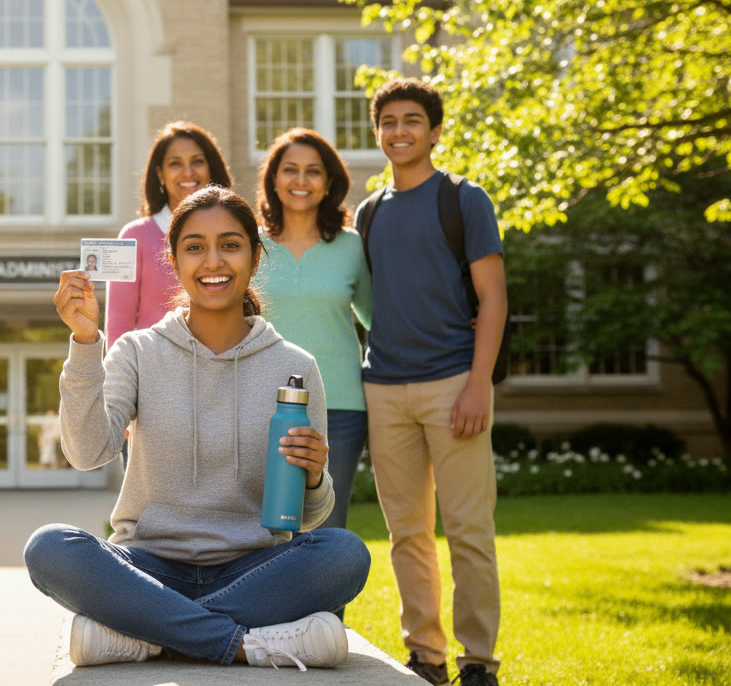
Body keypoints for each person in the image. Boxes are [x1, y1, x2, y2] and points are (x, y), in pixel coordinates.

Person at [25, 186, 371, 670]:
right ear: (174, 260)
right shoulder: (137, 352)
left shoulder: (296, 366)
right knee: (49, 547)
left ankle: (147, 635)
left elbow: (308, 517)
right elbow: (87, 452)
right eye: (194, 247)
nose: (214, 261)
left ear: (255, 256)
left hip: (254, 567)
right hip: (147, 567)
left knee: (345, 554)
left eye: (230, 244)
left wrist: (314, 479)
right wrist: (85, 342)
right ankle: (244, 642)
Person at [356, 78, 507, 686]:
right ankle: (426, 655)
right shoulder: (368, 214)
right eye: (388, 121)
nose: (399, 131)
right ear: (378, 132)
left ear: (435, 130)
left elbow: (493, 299)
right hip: (384, 389)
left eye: (412, 120)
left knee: (470, 529)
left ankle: (478, 660)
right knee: (407, 533)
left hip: (454, 384)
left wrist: (478, 385)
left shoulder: (463, 199)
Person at [255, 127, 372, 540]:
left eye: (313, 171)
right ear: (273, 180)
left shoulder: (352, 247)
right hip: (259, 401)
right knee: (260, 526)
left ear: (329, 183)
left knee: (326, 529)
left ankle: (326, 610)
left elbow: (379, 320)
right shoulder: (253, 245)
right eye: (290, 170)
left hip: (339, 406)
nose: (301, 181)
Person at [104, 121, 233, 344]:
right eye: (176, 164)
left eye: (197, 162)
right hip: (151, 373)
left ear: (211, 169)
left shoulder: (235, 234)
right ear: (160, 175)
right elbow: (117, 327)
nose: (188, 172)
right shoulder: (131, 237)